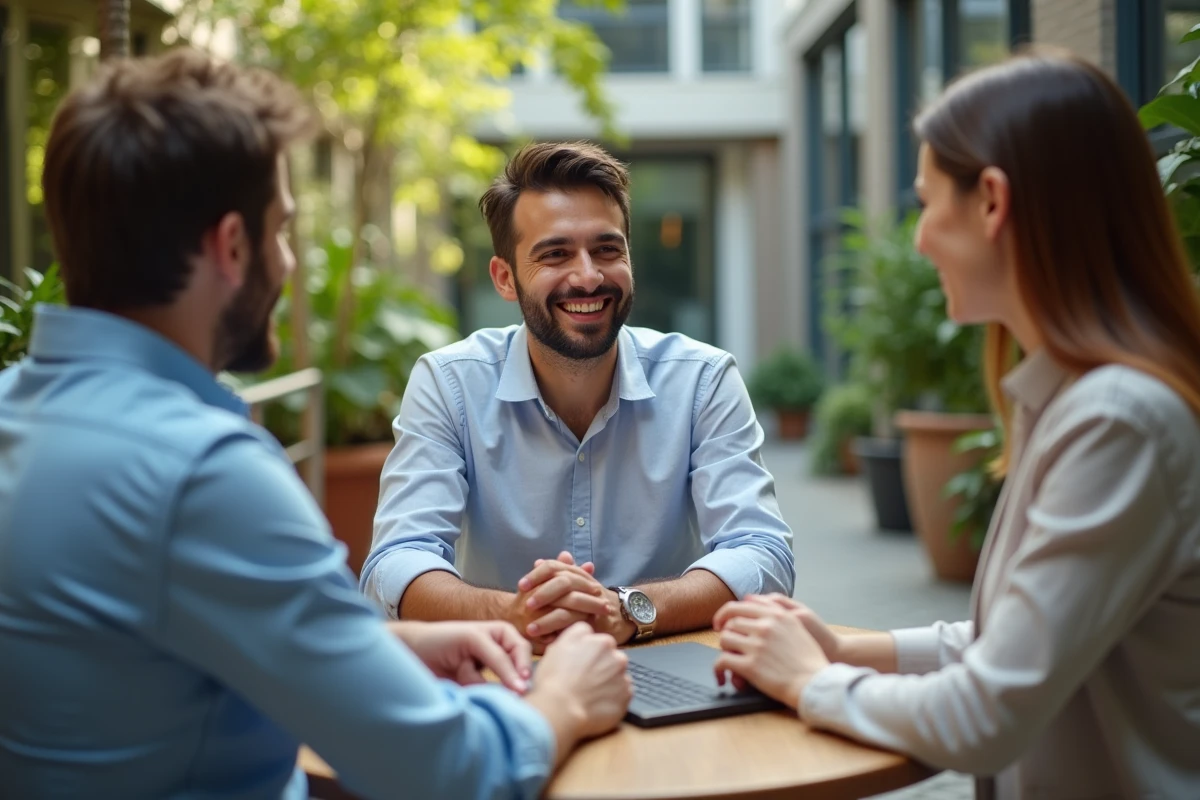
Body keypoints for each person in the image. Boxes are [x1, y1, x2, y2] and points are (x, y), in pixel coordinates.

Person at [0, 49, 631, 800]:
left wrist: (383, 647)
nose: (290, 260)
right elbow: (452, 772)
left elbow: (130, 651)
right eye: (283, 231)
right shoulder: (206, 473)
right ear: (233, 246)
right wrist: (563, 698)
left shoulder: (17, 411)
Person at [711, 49, 1200, 799]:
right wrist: (843, 645)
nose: (919, 239)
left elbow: (988, 712)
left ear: (993, 202)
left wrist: (811, 681)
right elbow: (1020, 638)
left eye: (925, 203)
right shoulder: (1074, 399)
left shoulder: (1118, 420)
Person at [362, 141, 795, 649]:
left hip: (669, 664)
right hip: (509, 667)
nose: (588, 276)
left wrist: (629, 609)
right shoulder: (449, 384)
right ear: (505, 278)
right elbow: (395, 562)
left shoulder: (703, 381)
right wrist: (515, 615)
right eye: (555, 254)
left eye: (607, 249)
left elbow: (763, 551)